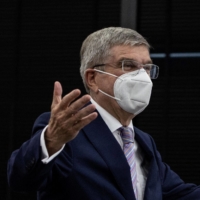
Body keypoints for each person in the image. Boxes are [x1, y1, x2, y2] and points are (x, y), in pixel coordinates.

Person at [7, 27, 200, 200]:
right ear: (93, 79)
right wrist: (50, 141)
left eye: (147, 68)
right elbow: (21, 180)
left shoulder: (144, 142)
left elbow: (182, 194)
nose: (142, 76)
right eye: (128, 65)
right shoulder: (67, 130)